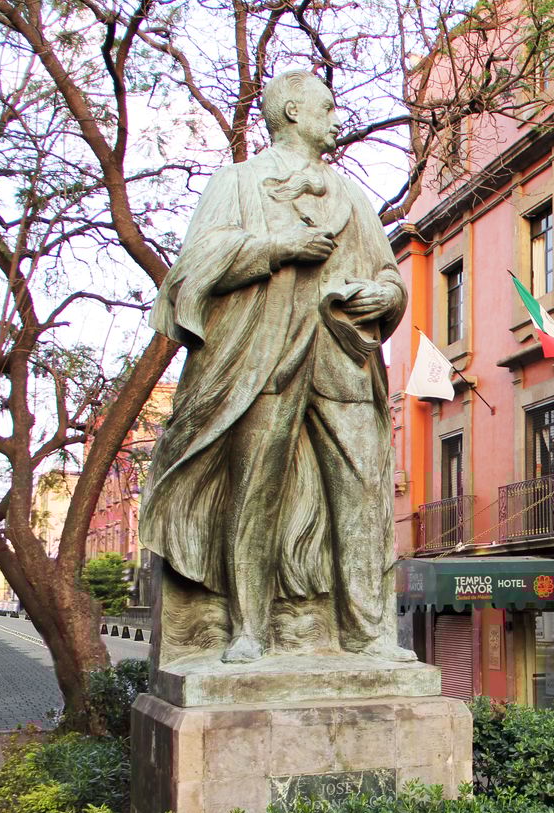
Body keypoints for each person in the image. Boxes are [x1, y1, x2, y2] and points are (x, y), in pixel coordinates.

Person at [140, 70, 414, 663]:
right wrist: (278, 248)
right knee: (254, 492)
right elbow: (193, 268)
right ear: (293, 110)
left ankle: (367, 634)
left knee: (364, 493)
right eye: (329, 106)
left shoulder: (351, 196)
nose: (339, 119)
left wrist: (386, 297)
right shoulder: (238, 184)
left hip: (341, 357)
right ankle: (248, 630)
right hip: (262, 360)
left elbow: (390, 273)